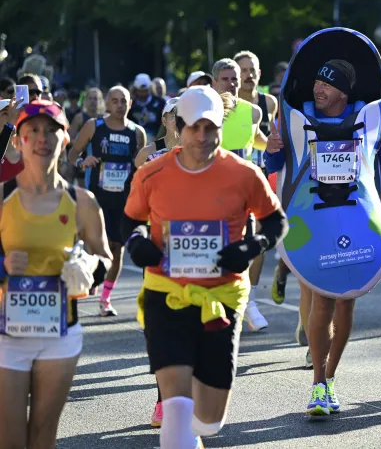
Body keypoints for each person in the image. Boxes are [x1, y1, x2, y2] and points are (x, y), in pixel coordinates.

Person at [123, 85, 287, 449]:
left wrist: (249, 246)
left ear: (220, 127)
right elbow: (130, 220)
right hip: (166, 294)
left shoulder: (244, 174)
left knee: (209, 421)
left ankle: (194, 433)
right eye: (194, 127)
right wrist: (137, 243)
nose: (202, 136)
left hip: (222, 297)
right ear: (178, 127)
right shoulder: (152, 173)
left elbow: (276, 223)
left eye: (210, 127)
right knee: (177, 407)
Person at [265, 58, 381, 410]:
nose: (317, 88)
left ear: (343, 91)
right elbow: (275, 167)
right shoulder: (295, 118)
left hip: (355, 220)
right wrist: (271, 152)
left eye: (326, 84)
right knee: (322, 299)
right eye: (316, 83)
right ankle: (317, 384)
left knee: (347, 301)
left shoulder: (367, 120)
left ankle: (332, 378)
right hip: (313, 223)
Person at [0, 100, 112, 449]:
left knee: (43, 436)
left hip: (59, 333)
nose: (42, 139)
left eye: (51, 131)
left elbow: (104, 257)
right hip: (7, 334)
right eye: (32, 131)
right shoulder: (4, 197)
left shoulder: (83, 202)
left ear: (65, 140)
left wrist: (89, 268)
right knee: (11, 439)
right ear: (18, 141)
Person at [67, 86, 146, 317]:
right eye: (115, 101)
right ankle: (91, 279)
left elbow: (140, 164)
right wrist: (83, 161)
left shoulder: (137, 131)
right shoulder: (95, 126)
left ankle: (105, 299)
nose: (119, 105)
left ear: (129, 104)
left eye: (124, 101)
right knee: (93, 246)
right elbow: (72, 154)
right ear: (108, 104)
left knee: (116, 249)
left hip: (122, 199)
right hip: (96, 198)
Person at [211, 57, 270, 331]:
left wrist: (271, 145)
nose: (232, 83)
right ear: (214, 83)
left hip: (242, 198)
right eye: (226, 78)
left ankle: (244, 304)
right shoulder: (204, 111)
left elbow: (255, 138)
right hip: (210, 198)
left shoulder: (252, 112)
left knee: (245, 252)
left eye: (234, 78)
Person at [134, 98, 180, 168]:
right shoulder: (147, 153)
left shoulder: (196, 151)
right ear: (164, 121)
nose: (177, 122)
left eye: (181, 118)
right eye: (173, 117)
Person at [128, 73, 165, 142]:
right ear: (135, 90)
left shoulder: (160, 103)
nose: (143, 94)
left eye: (145, 90)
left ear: (150, 88)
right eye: (140, 91)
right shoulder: (131, 104)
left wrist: (158, 138)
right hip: (136, 140)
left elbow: (163, 124)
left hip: (156, 141)